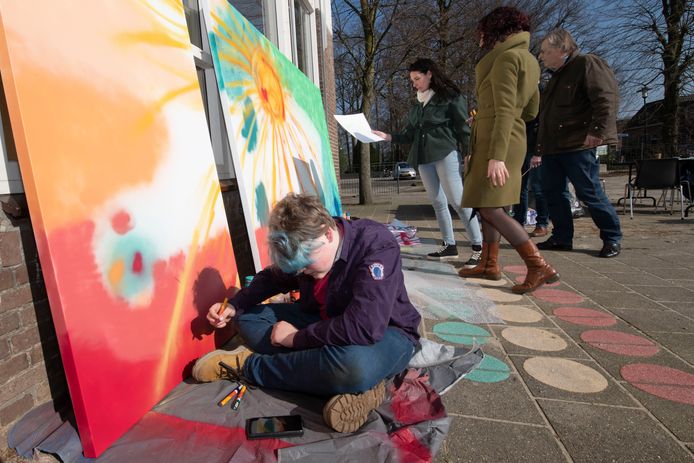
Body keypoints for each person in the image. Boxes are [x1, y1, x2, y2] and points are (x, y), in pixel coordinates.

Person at [192, 193, 421, 433]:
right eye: (297, 268)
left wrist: (293, 339)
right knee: (247, 318)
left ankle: (249, 366)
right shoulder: (303, 240)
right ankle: (344, 379)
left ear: (328, 234)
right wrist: (233, 305)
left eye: (306, 264)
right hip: (325, 322)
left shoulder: (376, 244)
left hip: (388, 332)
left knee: (353, 365)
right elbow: (272, 278)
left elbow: (365, 327)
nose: (303, 272)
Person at [458, 6, 558, 294]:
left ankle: (538, 265)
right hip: (504, 136)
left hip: (496, 143)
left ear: (495, 30)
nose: (479, 38)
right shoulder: (528, 59)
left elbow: (504, 109)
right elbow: (531, 109)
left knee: (491, 207)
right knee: (488, 204)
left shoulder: (505, 59)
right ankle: (490, 264)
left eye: (482, 32)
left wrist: (497, 154)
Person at [372, 58, 483, 266]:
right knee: (438, 203)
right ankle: (449, 245)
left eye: (417, 78)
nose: (414, 83)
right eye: (412, 80)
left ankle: (478, 247)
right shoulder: (418, 103)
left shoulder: (450, 97)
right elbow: (409, 133)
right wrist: (386, 136)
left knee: (458, 201)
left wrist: (469, 153)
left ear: (430, 74)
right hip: (423, 158)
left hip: (444, 153)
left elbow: (462, 127)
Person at [535, 28, 623, 258]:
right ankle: (562, 237)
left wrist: (597, 131)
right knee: (552, 193)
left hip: (578, 144)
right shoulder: (556, 77)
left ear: (562, 49)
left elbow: (606, 97)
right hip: (553, 147)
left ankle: (612, 237)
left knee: (589, 191)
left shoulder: (587, 63)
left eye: (545, 51)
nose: (541, 56)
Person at [512, 118, 550, 237]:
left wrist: (538, 152)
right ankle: (518, 223)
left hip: (534, 146)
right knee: (519, 186)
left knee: (537, 188)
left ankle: (542, 223)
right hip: (521, 144)